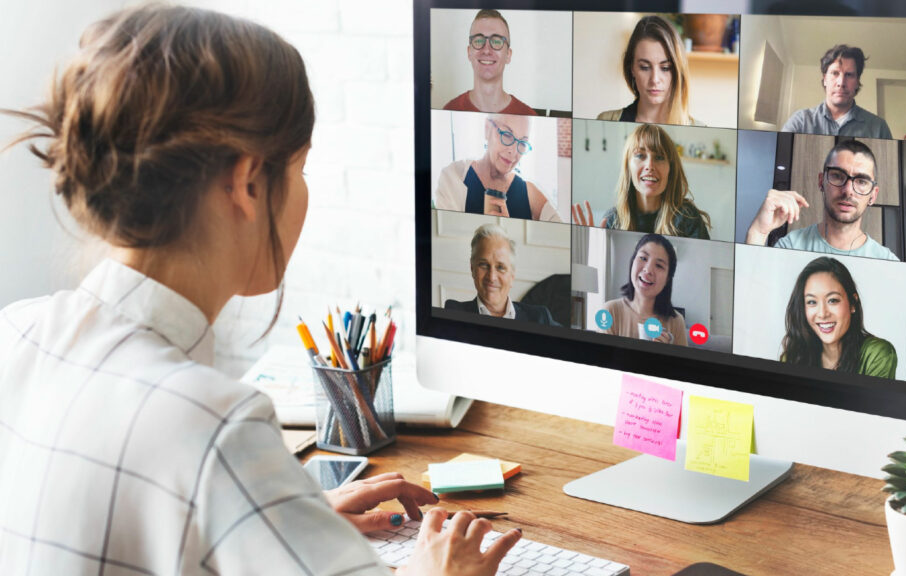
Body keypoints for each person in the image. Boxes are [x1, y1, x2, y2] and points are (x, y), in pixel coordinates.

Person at [0, 6, 520, 575]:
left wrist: (278, 517)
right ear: (248, 184)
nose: (302, 192)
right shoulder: (214, 427)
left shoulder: (15, 333)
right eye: (300, 168)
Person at [744, 139, 899, 261]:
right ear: (821, 181)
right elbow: (754, 292)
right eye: (837, 176)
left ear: (873, 195)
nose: (848, 191)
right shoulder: (790, 246)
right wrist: (757, 233)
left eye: (861, 181)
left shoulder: (887, 262)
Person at [573, 123, 711, 239]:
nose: (650, 166)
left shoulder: (688, 218)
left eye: (659, 157)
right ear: (628, 167)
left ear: (671, 168)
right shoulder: (612, 220)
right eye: (640, 155)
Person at [781, 257, 897, 378]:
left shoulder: (877, 354)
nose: (822, 313)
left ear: (852, 303)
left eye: (832, 300)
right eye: (811, 302)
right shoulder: (793, 357)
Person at [435, 114, 561, 221]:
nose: (513, 151)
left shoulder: (531, 193)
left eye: (522, 143)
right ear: (487, 129)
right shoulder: (453, 177)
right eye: (507, 135)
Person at [597, 15, 702, 126]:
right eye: (645, 67)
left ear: (677, 71)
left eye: (665, 68)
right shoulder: (606, 121)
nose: (655, 79)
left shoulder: (700, 129)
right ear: (632, 68)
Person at [444, 224, 557, 325]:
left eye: (500, 267)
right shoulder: (454, 312)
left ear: (512, 276)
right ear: (472, 269)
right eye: (483, 265)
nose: (492, 277)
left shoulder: (540, 318)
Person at [781, 45, 893, 139]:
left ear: (857, 82)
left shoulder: (879, 128)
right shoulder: (800, 121)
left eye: (849, 75)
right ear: (825, 79)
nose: (841, 82)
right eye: (835, 73)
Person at [597, 234, 688, 346]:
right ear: (632, 262)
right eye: (643, 258)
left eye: (659, 265)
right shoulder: (609, 312)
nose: (648, 270)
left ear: (667, 279)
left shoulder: (677, 322)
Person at [442, 9, 536, 115]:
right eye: (478, 40)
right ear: (469, 52)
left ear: (508, 55)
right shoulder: (449, 111)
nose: (486, 50)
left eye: (496, 41)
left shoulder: (529, 116)